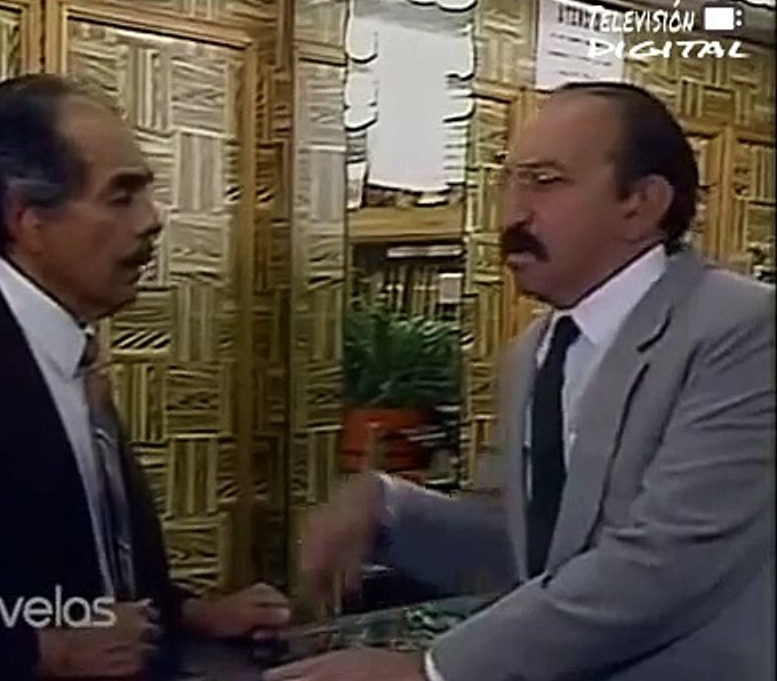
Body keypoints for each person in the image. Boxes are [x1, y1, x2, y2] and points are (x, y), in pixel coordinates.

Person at [269, 82, 775, 681]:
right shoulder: (535, 351)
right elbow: (529, 555)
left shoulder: (743, 331)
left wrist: (433, 670)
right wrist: (386, 507)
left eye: (545, 181)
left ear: (642, 202)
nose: (512, 214)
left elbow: (666, 563)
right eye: (508, 182)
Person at [0, 74, 291, 681]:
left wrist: (189, 614)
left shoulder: (71, 353)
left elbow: (73, 568)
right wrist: (41, 653)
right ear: (28, 218)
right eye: (121, 197)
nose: (151, 221)